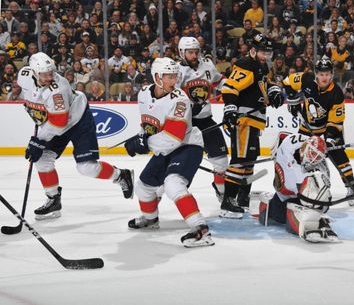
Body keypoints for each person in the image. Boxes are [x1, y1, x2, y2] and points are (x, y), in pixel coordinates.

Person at [18, 52, 133, 220]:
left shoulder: (58, 89)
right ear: (34, 72)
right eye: (44, 74)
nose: (50, 77)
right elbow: (31, 95)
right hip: (56, 121)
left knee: (86, 168)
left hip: (78, 120)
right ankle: (53, 199)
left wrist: (38, 140)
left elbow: (58, 123)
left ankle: (121, 175)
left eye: (51, 72)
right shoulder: (24, 75)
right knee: (42, 160)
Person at [123, 57, 213, 248]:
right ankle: (150, 219)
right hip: (165, 149)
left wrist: (145, 144)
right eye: (169, 77)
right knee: (143, 187)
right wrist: (140, 137)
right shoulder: (144, 95)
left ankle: (200, 228)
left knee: (173, 184)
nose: (174, 81)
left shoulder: (180, 99)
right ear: (157, 77)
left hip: (187, 146)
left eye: (175, 76)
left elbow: (173, 138)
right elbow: (149, 125)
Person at [220, 33, 284, 218]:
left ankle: (242, 198)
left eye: (269, 53)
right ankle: (228, 201)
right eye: (264, 53)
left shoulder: (261, 66)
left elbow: (265, 83)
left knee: (249, 160)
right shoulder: (246, 64)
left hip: (255, 119)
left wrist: (274, 91)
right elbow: (230, 87)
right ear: (253, 51)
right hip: (244, 120)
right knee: (240, 160)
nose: (267, 57)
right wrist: (230, 109)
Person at [283, 57, 354, 206]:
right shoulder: (306, 79)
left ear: (332, 74)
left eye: (327, 74)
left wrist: (329, 139)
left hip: (327, 129)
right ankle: (301, 186)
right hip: (307, 127)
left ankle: (352, 188)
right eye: (321, 74)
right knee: (298, 156)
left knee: (339, 157)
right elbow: (287, 81)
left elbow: (335, 121)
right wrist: (292, 100)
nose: (324, 78)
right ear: (316, 74)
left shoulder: (336, 93)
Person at [259, 133, 339, 243]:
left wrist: (320, 200)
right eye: (312, 153)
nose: (314, 159)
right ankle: (268, 209)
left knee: (320, 199)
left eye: (318, 156)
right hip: (286, 195)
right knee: (280, 213)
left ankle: (315, 220)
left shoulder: (321, 165)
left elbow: (324, 191)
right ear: (305, 148)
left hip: (299, 195)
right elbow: (282, 137)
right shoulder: (290, 149)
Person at [176, 37, 229, 204]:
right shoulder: (176, 72)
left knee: (221, 161)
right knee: (181, 166)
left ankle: (222, 193)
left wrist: (232, 90)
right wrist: (189, 109)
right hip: (187, 125)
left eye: (196, 52)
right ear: (181, 53)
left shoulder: (207, 65)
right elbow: (172, 100)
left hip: (206, 120)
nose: (194, 55)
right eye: (190, 52)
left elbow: (219, 81)